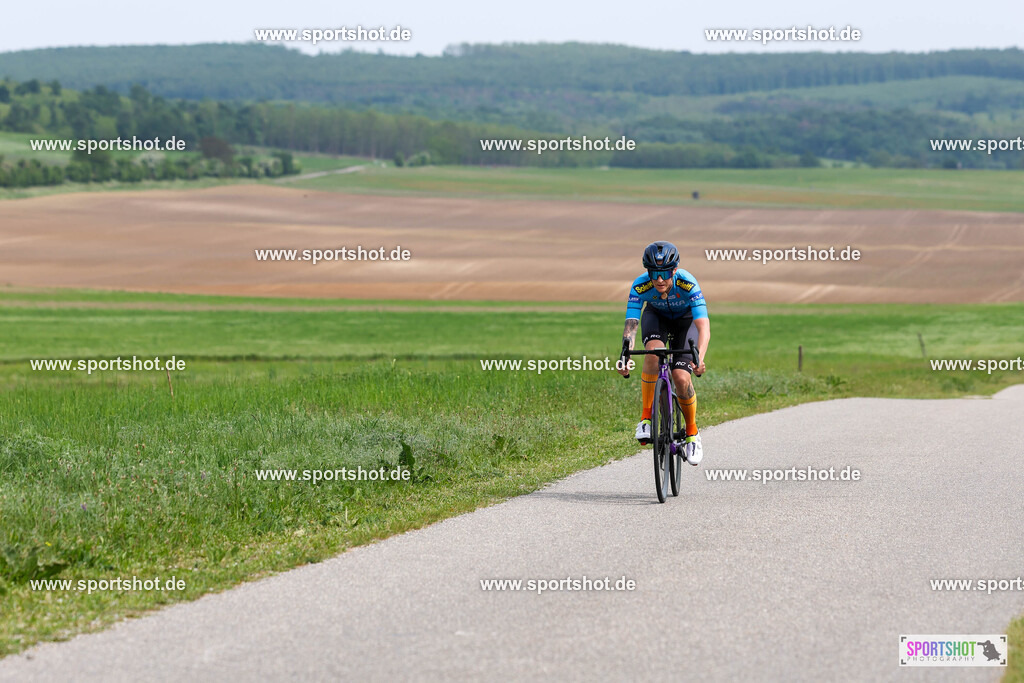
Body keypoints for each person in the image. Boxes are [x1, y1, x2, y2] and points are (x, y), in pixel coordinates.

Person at [617, 241, 710, 465]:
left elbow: (703, 326)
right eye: (654, 273)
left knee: (681, 376)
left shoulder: (687, 283)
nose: (659, 279)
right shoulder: (640, 286)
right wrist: (625, 357)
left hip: (685, 321)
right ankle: (646, 418)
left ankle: (692, 433)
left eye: (665, 273)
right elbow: (631, 325)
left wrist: (699, 359)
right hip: (657, 317)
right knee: (653, 352)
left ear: (674, 270)